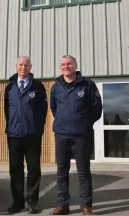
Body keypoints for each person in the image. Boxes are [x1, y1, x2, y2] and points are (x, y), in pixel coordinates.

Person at [49, 55, 102, 216]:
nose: (66, 66)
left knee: (83, 171)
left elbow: (97, 109)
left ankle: (86, 206)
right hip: (61, 134)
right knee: (61, 171)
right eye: (63, 64)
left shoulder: (88, 85)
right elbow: (54, 108)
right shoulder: (56, 86)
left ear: (75, 65)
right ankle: (62, 205)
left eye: (69, 64)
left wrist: (84, 123)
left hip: (81, 135)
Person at [4, 56, 48, 214]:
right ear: (16, 66)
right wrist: (9, 127)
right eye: (21, 64)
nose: (23, 67)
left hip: (32, 135)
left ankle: (31, 202)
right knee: (15, 169)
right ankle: (17, 202)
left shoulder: (38, 86)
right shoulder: (9, 87)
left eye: (26, 65)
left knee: (34, 169)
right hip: (14, 135)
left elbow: (44, 110)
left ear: (31, 67)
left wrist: (38, 128)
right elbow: (7, 110)